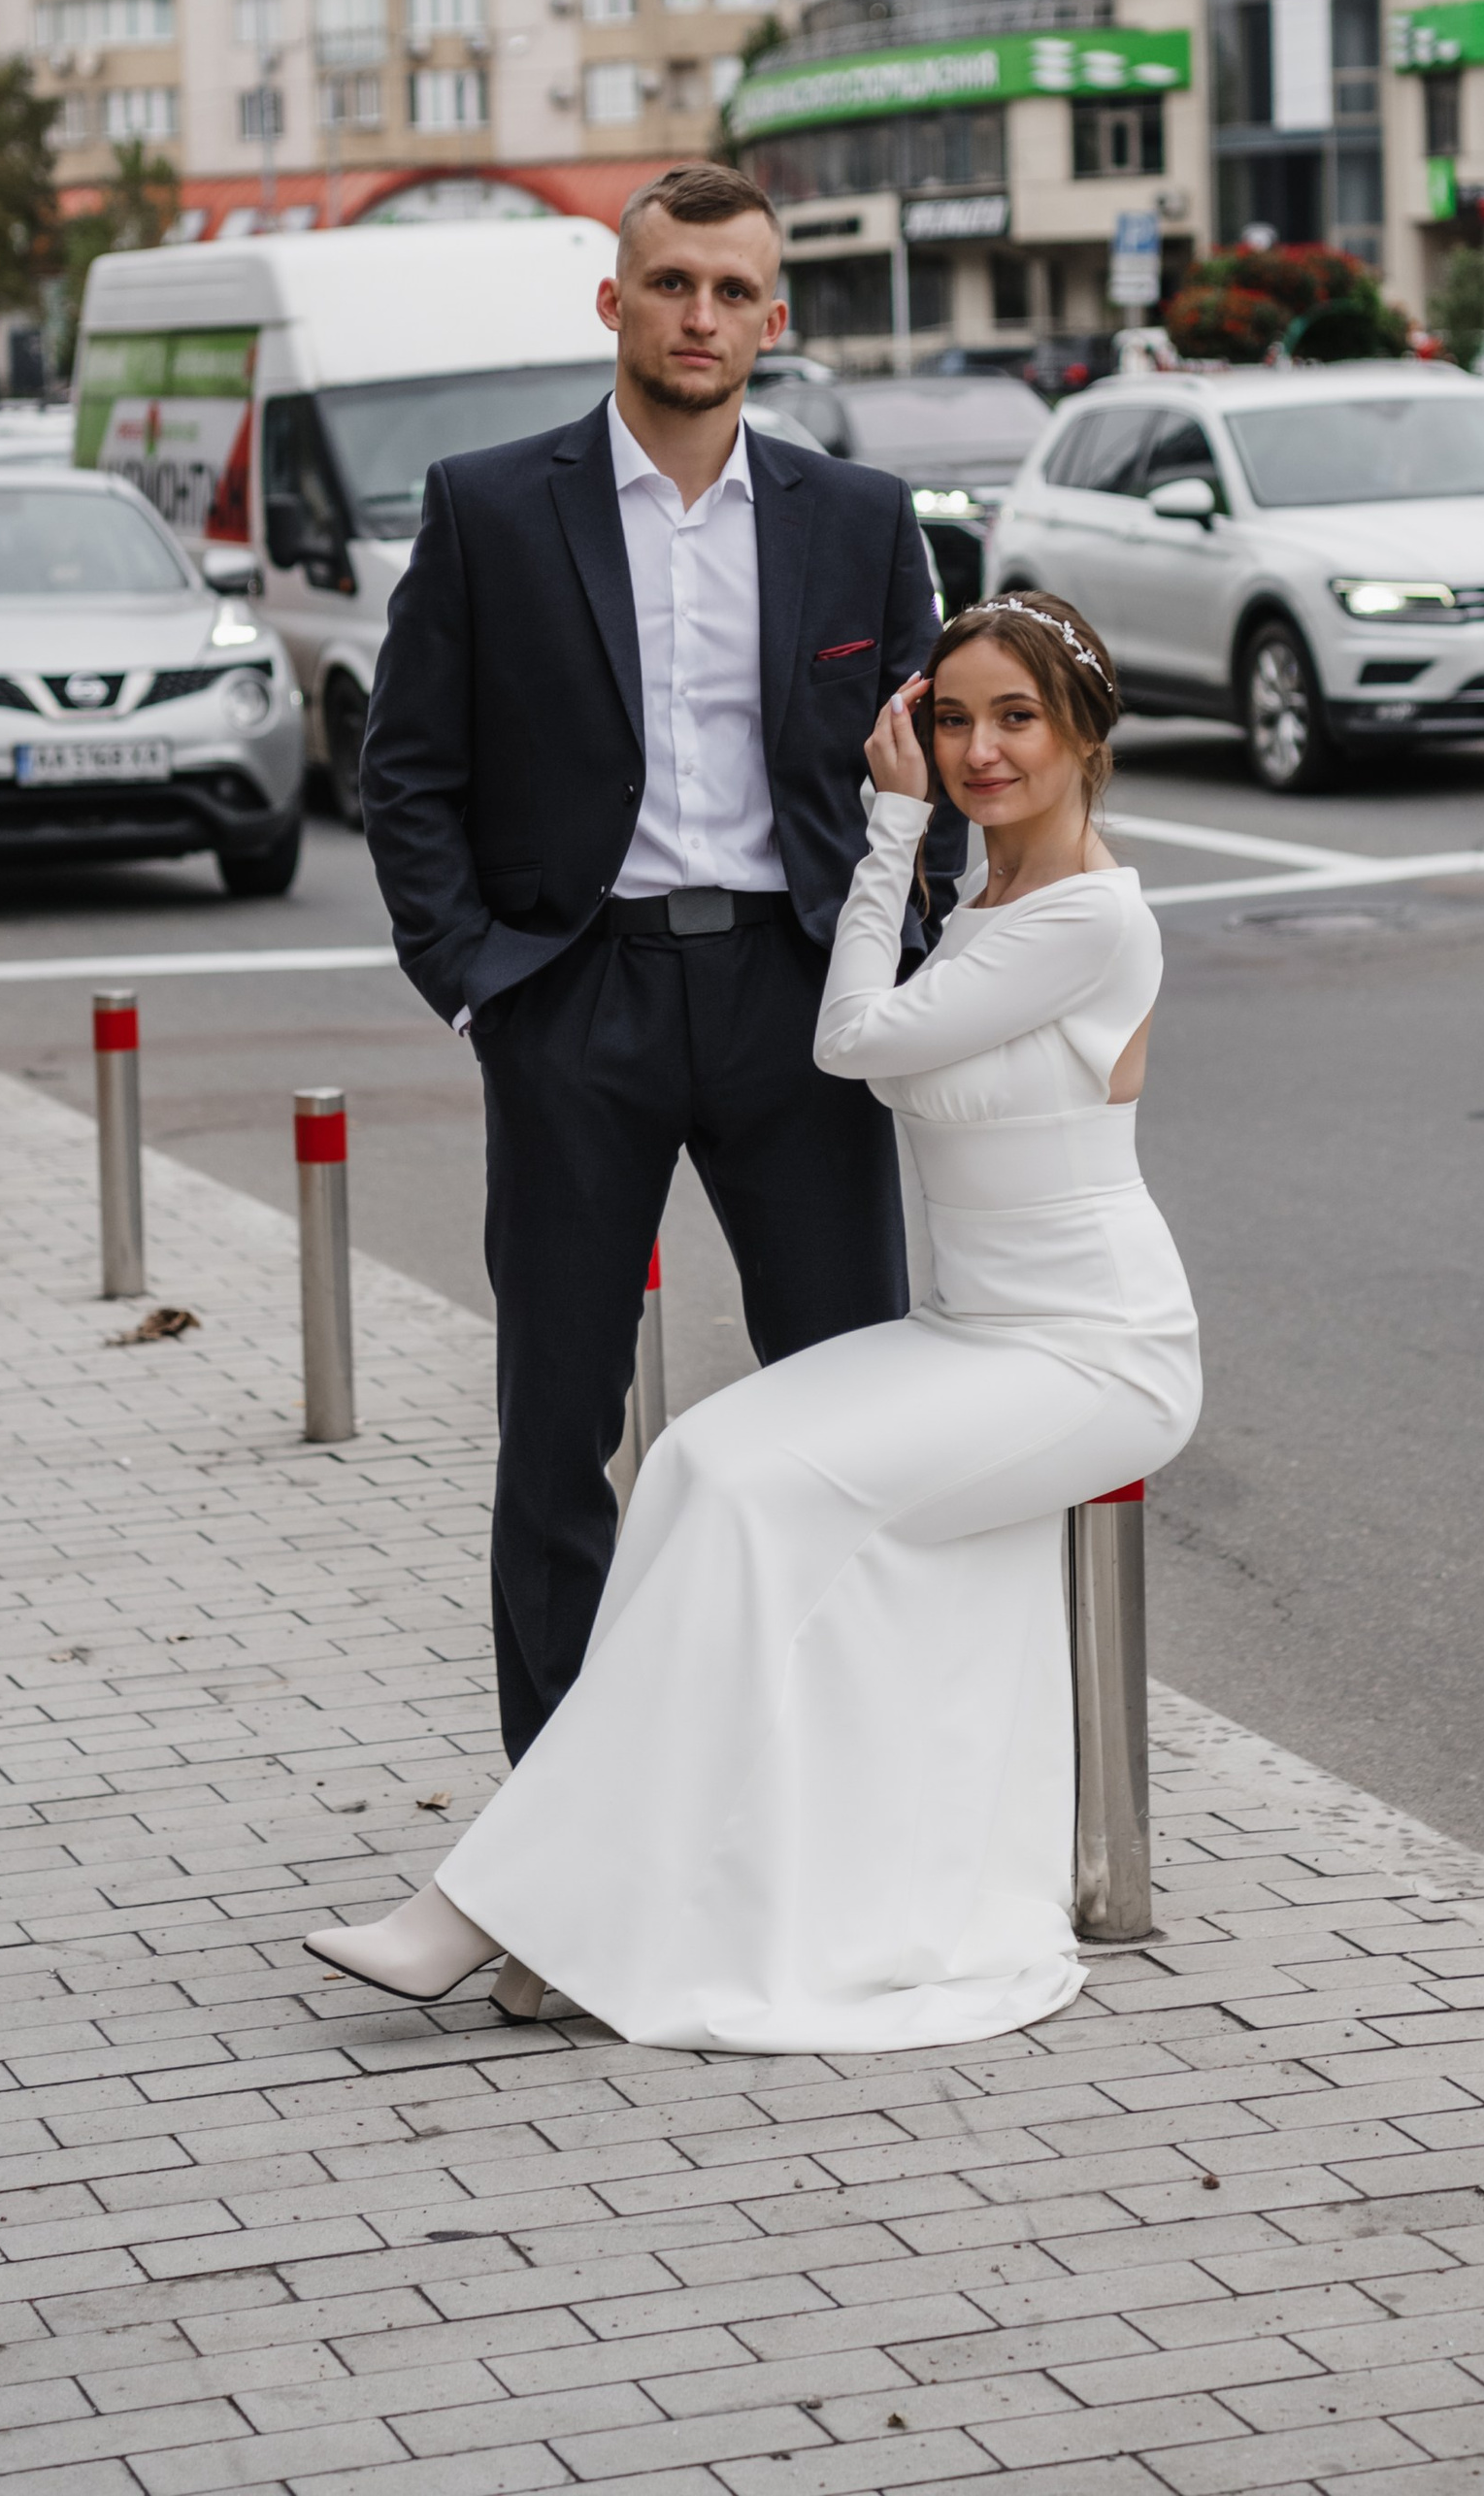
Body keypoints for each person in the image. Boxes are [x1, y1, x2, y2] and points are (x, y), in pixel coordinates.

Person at [311, 585, 1202, 2052]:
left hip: (1090, 1350)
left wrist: (891, 827)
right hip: (967, 1331)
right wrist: (917, 859)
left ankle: (482, 1911)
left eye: (1017, 719)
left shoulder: (1092, 917)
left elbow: (849, 1040)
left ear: (1086, 733)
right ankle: (588, 1910)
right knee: (689, 1467)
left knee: (746, 1494)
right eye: (954, 718)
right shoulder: (992, 905)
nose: (981, 750)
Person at [360, 159, 956, 1767]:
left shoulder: (857, 515)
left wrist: (892, 957)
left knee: (845, 1409)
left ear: (777, 313)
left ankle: (848, 1773)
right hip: (579, 999)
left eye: (734, 289)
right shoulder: (491, 505)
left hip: (800, 1001)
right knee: (557, 1431)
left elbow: (944, 761)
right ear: (616, 300)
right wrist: (485, 984)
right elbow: (406, 769)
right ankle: (562, 1804)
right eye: (673, 284)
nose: (703, 315)